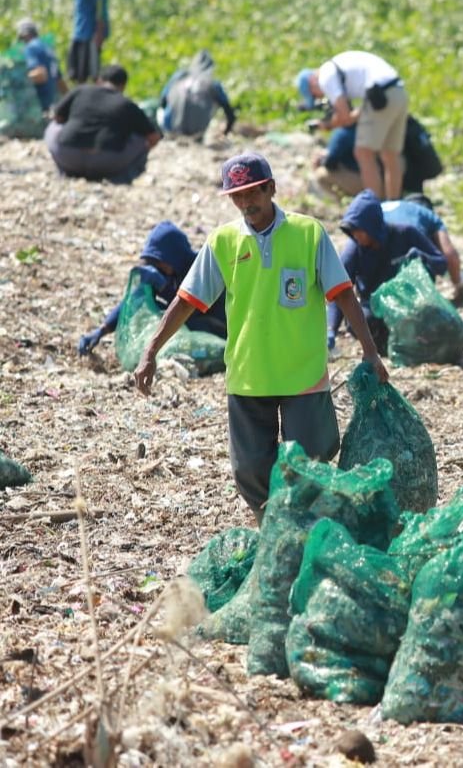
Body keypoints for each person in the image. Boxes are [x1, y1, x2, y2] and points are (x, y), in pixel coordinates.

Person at [134, 152, 388, 524]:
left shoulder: (307, 233)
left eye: (252, 192)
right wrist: (151, 350)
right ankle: (270, 526)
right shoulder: (223, 242)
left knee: (312, 457)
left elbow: (343, 293)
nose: (245, 202)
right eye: (236, 196)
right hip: (250, 373)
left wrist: (370, 351)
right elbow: (187, 301)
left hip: (303, 373)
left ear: (271, 188)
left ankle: (304, 522)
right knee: (251, 469)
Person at [78, 221, 227, 355]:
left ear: (174, 258)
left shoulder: (202, 268)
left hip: (218, 326)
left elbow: (191, 307)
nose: (155, 267)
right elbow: (134, 300)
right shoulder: (167, 274)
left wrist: (166, 289)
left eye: (158, 262)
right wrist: (102, 330)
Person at [327, 190, 448, 355]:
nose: (356, 235)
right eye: (352, 231)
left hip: (410, 305)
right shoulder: (355, 248)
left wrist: (423, 257)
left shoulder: (406, 234)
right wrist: (331, 329)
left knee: (438, 325)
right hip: (375, 310)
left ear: (373, 225)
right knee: (361, 321)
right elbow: (339, 289)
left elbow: (441, 264)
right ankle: (389, 347)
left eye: (360, 230)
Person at [296, 50, 408, 200]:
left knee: (363, 153)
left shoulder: (325, 78)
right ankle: (394, 204)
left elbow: (345, 117)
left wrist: (327, 125)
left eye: (315, 95)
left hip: (381, 95)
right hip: (398, 92)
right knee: (390, 155)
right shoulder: (339, 66)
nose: (321, 97)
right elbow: (353, 115)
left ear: (312, 82)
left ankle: (374, 207)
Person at [44, 64, 161, 183]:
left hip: (68, 156)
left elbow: (57, 117)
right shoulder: (127, 104)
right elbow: (153, 137)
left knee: (53, 127)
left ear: (99, 80)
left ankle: (65, 171)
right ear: (123, 86)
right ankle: (122, 176)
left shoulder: (81, 90)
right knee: (140, 138)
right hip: (107, 162)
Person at [311, 117, 442, 201]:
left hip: (375, 185)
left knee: (321, 174)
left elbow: (330, 163)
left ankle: (359, 203)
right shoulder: (376, 123)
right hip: (399, 181)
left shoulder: (343, 133)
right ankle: (392, 197)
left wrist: (321, 159)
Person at [382, 194, 462, 290]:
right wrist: (458, 285)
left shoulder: (379, 206)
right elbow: (450, 255)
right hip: (413, 244)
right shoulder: (427, 213)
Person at [158, 49, 236, 138]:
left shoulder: (179, 76)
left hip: (171, 127)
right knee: (214, 100)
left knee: (161, 108)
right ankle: (198, 135)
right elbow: (229, 113)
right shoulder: (212, 84)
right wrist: (226, 132)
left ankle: (164, 135)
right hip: (197, 130)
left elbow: (162, 102)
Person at [16, 18, 68, 114]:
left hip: (43, 105)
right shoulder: (48, 48)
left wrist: (19, 82)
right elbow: (60, 81)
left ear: (25, 35)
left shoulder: (31, 47)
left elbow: (40, 74)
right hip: (54, 103)